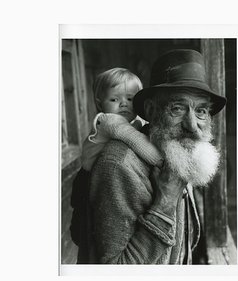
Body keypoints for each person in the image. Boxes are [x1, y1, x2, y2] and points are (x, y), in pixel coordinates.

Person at [83, 49, 226, 264]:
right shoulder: (118, 166)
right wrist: (165, 203)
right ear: (150, 110)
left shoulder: (177, 153)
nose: (193, 126)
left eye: (201, 111)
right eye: (177, 109)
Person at [70, 68, 162, 262]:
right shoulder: (110, 121)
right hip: (87, 181)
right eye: (114, 99)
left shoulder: (132, 121)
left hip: (101, 178)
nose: (124, 104)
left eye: (130, 98)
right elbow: (140, 144)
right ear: (99, 103)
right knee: (87, 228)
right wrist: (164, 162)